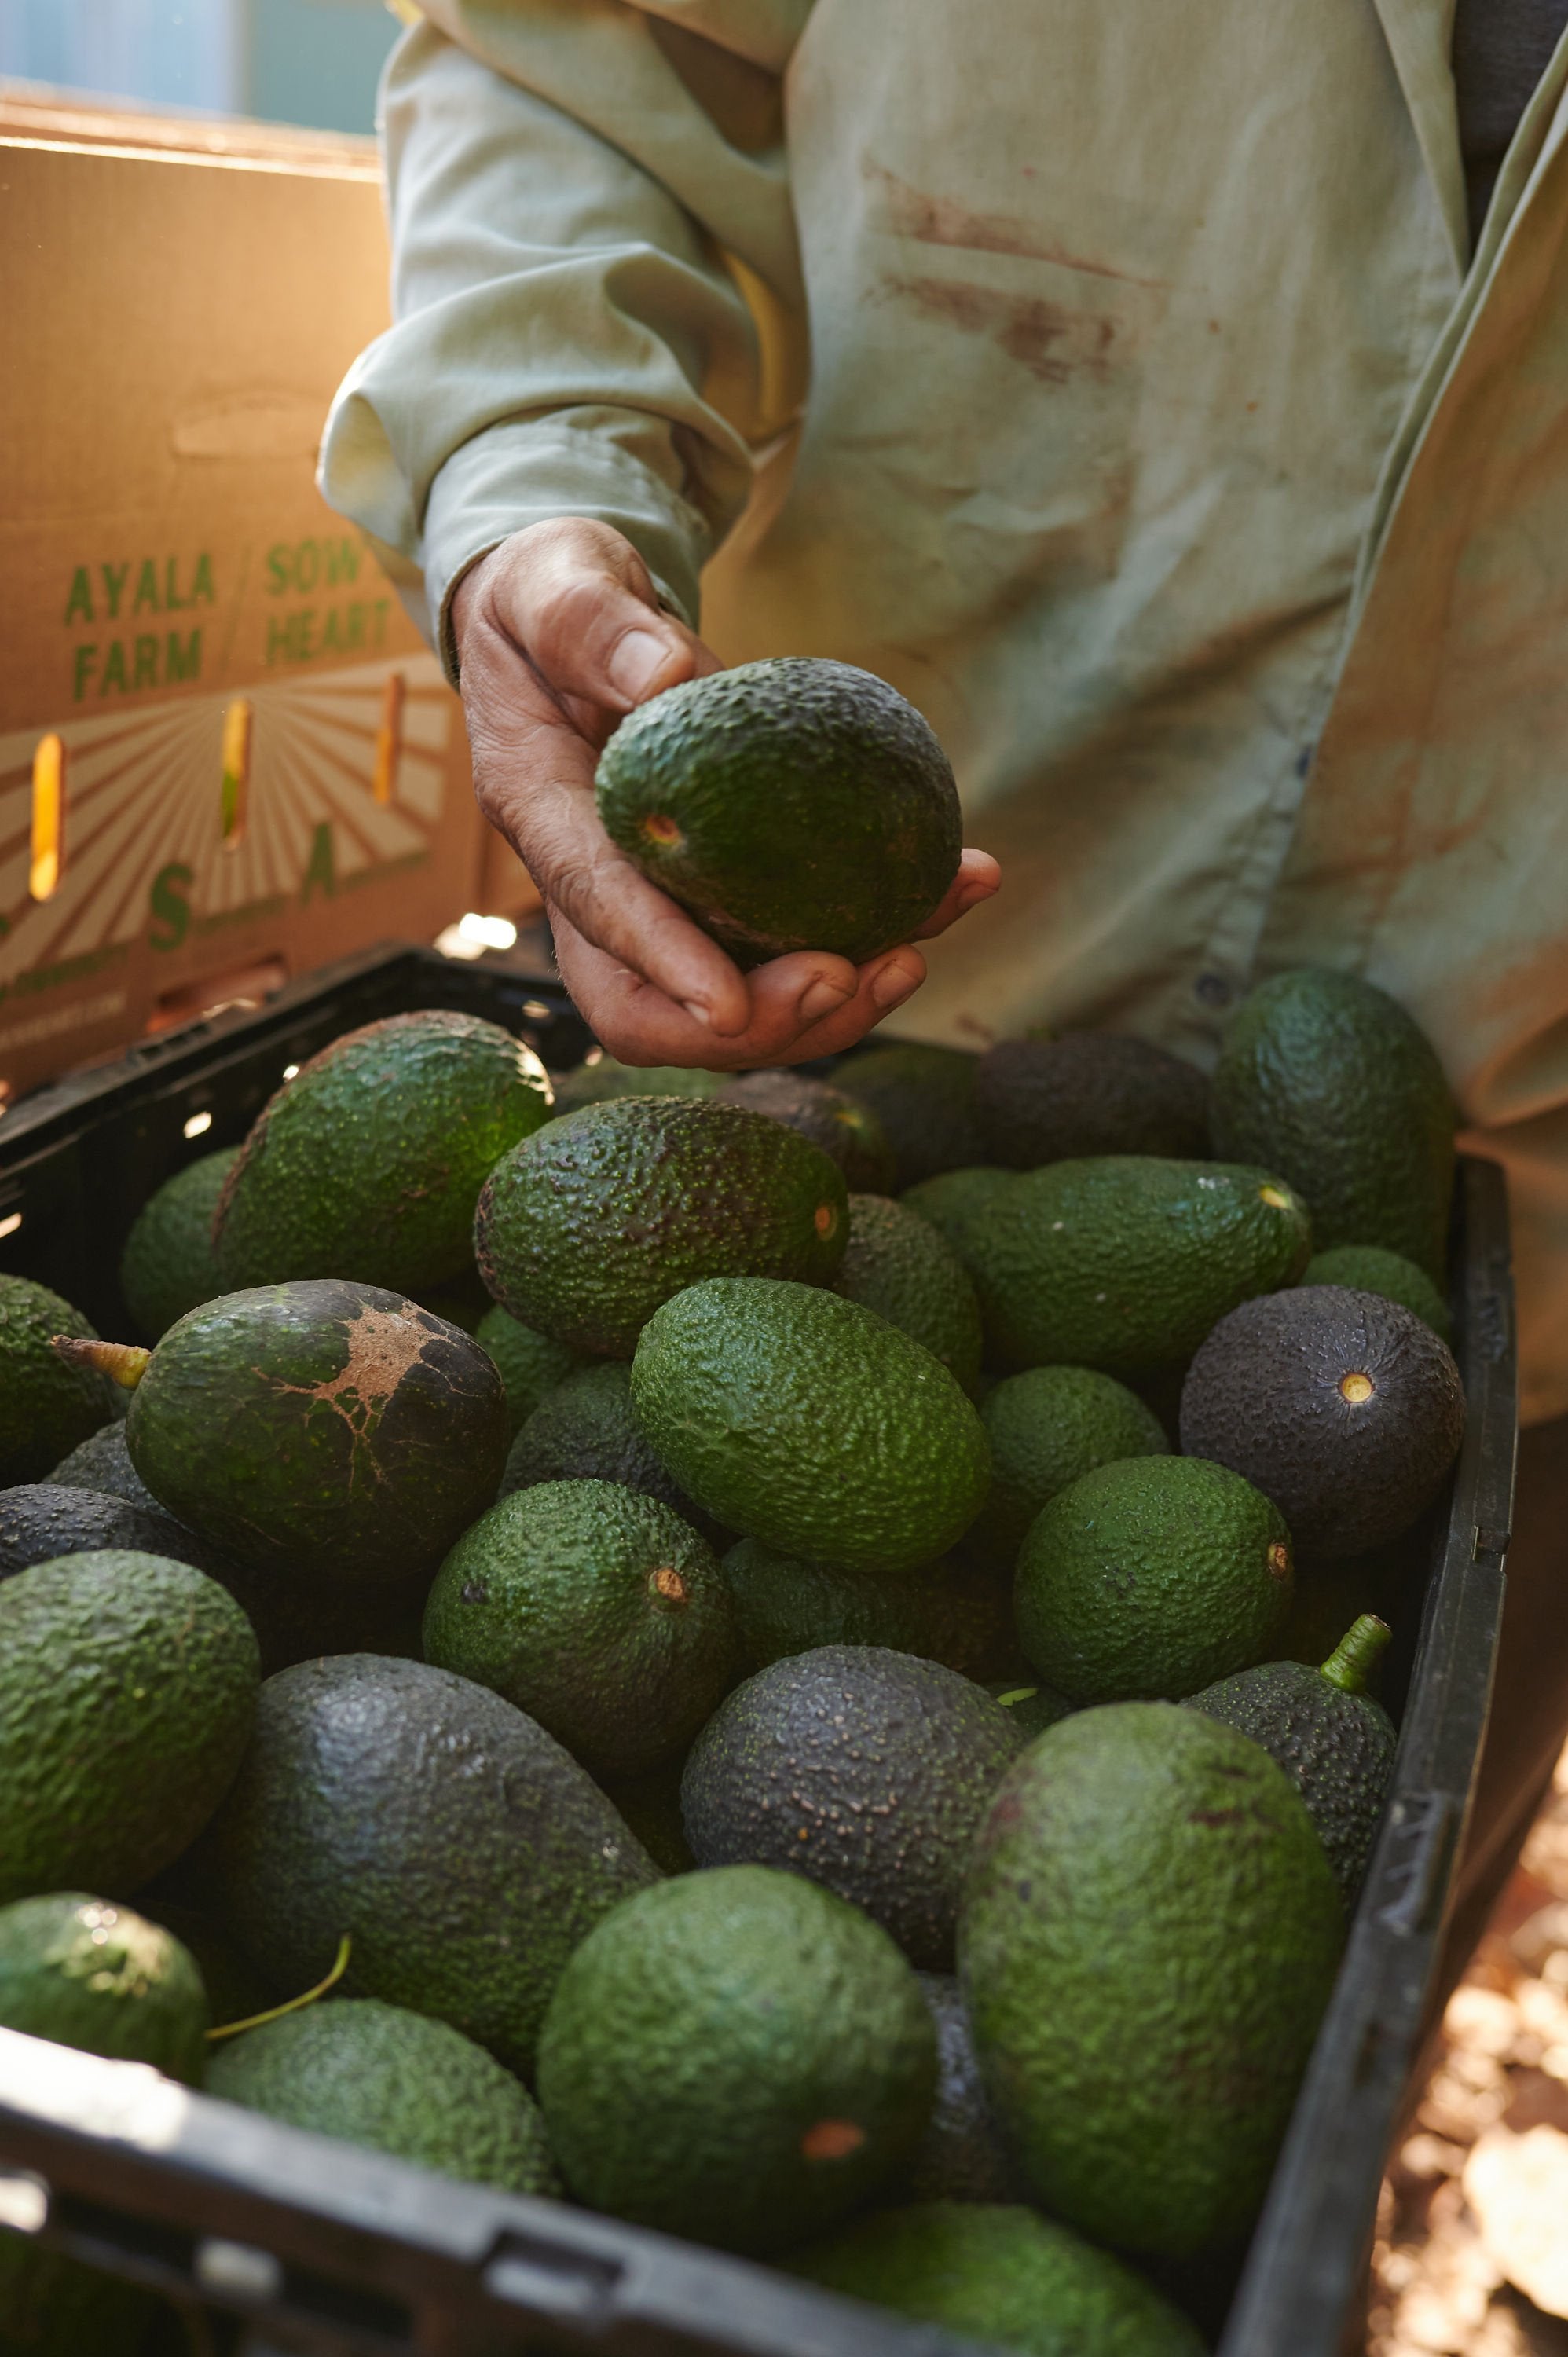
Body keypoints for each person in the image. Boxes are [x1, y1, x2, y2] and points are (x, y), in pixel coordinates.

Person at [321, 0, 1568, 2073]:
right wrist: (533, 485)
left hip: (1504, 1279)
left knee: (1229, 2072)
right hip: (806, 1076)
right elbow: (571, 61)